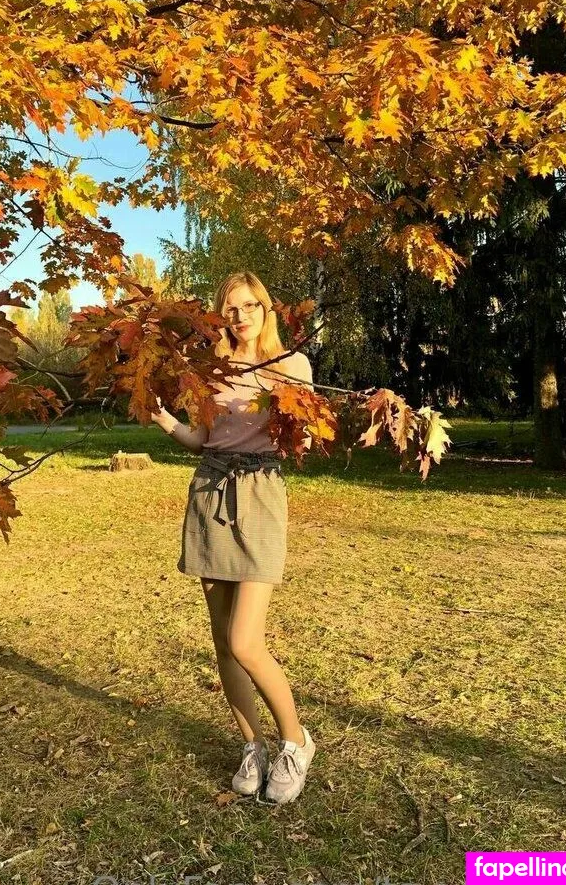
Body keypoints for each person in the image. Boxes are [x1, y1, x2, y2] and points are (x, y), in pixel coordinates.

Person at [150, 271, 317, 805]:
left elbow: (302, 435)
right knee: (223, 642)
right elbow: (202, 438)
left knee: (246, 640)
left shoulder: (290, 365)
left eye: (249, 306)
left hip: (260, 493)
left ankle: (295, 742)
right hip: (210, 490)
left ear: (266, 310)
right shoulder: (211, 370)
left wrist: (303, 420)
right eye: (230, 307)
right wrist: (164, 419)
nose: (240, 315)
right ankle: (253, 747)